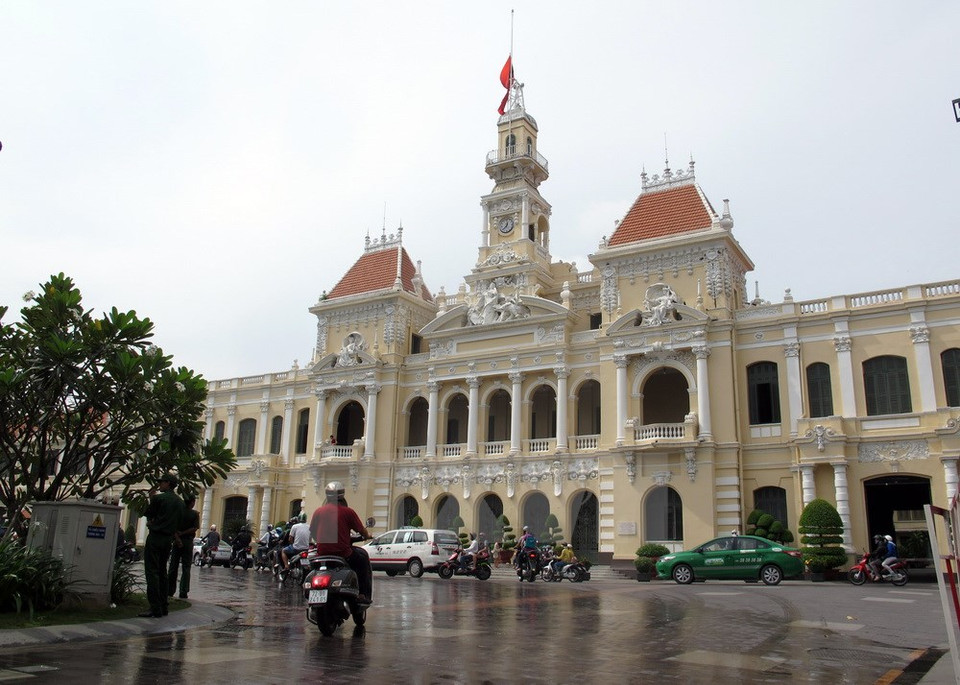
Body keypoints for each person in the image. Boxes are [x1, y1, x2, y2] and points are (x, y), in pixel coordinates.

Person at [310, 481, 373, 603]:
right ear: (342, 495)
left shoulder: (318, 511)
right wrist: (367, 535)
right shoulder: (348, 512)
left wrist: (321, 541)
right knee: (362, 559)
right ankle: (362, 594)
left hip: (322, 553)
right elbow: (361, 530)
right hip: (343, 554)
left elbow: (312, 532)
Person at [139, 473, 185, 618]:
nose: (159, 485)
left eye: (161, 482)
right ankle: (164, 605)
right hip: (168, 540)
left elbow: (149, 514)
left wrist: (151, 498)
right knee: (162, 572)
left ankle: (155, 607)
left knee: (152, 572)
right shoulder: (180, 502)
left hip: (156, 537)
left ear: (168, 483)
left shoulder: (159, 498)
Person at [168, 493, 199, 599]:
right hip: (187, 541)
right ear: (192, 502)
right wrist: (183, 534)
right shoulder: (194, 514)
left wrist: (177, 537)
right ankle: (183, 591)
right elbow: (194, 528)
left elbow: (173, 527)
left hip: (177, 541)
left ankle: (169, 590)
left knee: (173, 566)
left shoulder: (177, 513)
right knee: (186, 567)